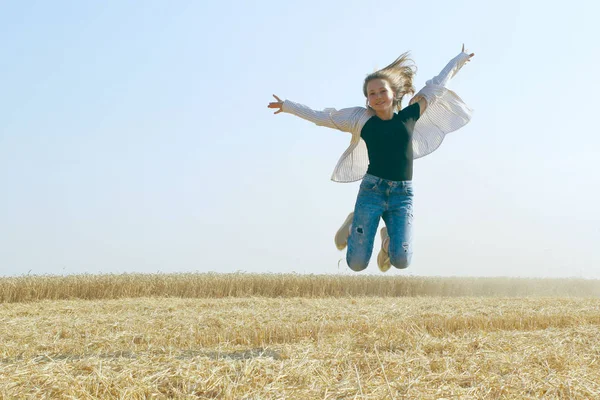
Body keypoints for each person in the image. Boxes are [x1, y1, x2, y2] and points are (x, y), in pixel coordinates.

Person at [268, 45, 475, 272]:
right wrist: (288, 106)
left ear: (393, 94)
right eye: (371, 94)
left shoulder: (409, 115)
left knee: (401, 260)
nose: (377, 97)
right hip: (372, 192)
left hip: (402, 195)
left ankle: (386, 239)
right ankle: (354, 220)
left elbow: (436, 86)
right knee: (356, 264)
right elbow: (322, 117)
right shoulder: (361, 120)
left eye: (382, 91)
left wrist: (460, 59)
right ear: (367, 100)